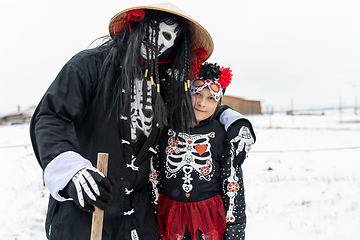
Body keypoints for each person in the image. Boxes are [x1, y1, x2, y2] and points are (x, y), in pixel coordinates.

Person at [30, 3, 254, 240]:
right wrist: (71, 171)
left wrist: (234, 119)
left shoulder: (161, 82)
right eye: (158, 31)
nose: (161, 43)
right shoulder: (89, 65)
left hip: (138, 216)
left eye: (170, 38)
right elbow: (52, 116)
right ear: (139, 23)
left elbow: (196, 107)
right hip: (86, 208)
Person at [149, 62, 256, 240]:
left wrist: (235, 231)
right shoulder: (166, 128)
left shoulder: (223, 134)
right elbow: (153, 176)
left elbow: (233, 187)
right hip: (170, 218)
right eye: (197, 94)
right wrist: (151, 220)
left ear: (219, 102)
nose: (201, 102)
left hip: (210, 220)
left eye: (210, 98)